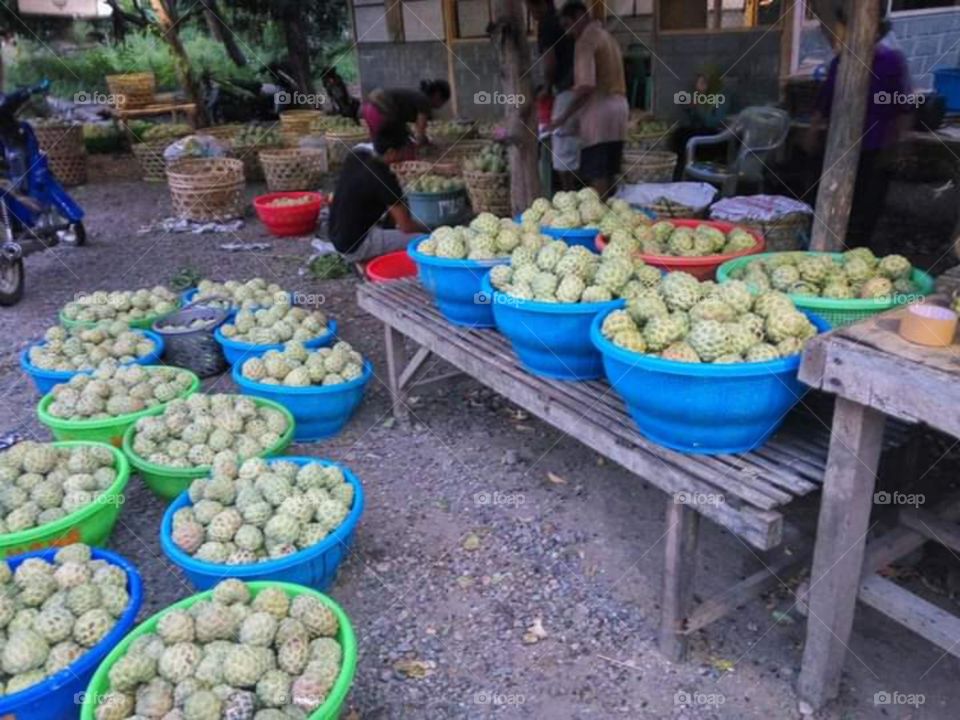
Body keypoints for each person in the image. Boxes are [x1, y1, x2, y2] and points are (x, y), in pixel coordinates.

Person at [808, 6, 912, 249]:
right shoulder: (840, 63)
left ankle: (858, 246)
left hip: (875, 146)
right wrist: (812, 132)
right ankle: (832, 242)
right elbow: (823, 105)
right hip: (839, 146)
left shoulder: (890, 62)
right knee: (832, 197)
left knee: (867, 204)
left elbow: (903, 108)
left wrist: (898, 144)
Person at [550, 1, 629, 199]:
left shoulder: (585, 41)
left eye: (568, 25)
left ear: (580, 17)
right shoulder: (607, 36)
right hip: (619, 109)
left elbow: (586, 86)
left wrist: (563, 117)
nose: (568, 32)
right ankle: (610, 211)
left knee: (597, 171)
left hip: (600, 111)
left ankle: (598, 220)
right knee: (609, 170)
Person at [328, 128, 430, 263]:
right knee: (425, 241)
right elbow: (406, 226)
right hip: (355, 247)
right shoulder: (385, 178)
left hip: (336, 235)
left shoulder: (357, 154)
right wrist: (429, 230)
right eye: (404, 151)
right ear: (391, 152)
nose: (407, 156)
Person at [526, 0, 578, 189]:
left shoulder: (547, 23)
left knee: (562, 146)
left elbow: (550, 62)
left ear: (542, 4)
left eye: (531, 7)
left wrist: (547, 87)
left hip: (566, 88)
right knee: (571, 143)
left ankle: (569, 192)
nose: (531, 13)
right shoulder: (563, 20)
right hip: (578, 88)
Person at [360, 80, 451, 150]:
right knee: (395, 147)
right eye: (443, 102)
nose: (441, 106)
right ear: (437, 96)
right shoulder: (424, 101)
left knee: (380, 147)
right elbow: (420, 132)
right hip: (379, 110)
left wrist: (423, 140)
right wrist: (423, 145)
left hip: (368, 109)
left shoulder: (415, 97)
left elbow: (405, 127)